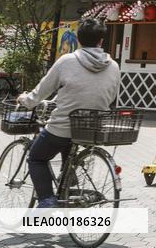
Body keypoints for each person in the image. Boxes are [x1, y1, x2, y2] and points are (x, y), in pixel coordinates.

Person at [17, 18, 120, 208]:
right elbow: (110, 95)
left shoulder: (67, 61)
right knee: (69, 142)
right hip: (93, 127)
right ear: (101, 41)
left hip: (63, 127)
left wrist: (26, 100)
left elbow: (43, 90)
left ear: (78, 39)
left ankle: (47, 201)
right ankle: (68, 183)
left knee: (37, 157)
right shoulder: (113, 65)